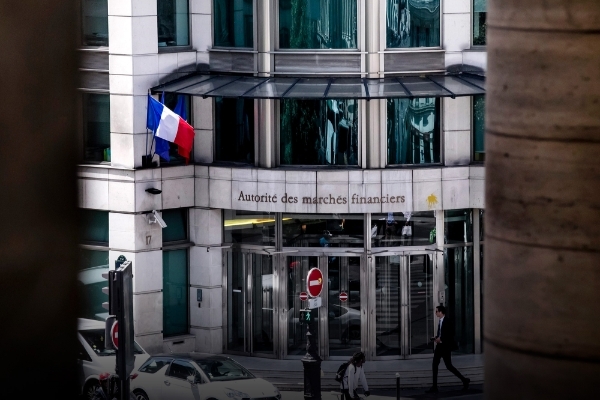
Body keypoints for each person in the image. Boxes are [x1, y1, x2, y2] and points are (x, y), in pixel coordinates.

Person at [426, 305, 471, 393]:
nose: (435, 313)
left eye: (436, 311)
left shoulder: (448, 321)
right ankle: (434, 387)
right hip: (439, 347)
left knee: (449, 366)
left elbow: (451, 334)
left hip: (446, 347)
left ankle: (464, 380)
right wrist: (436, 338)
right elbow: (442, 333)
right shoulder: (440, 321)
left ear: (440, 312)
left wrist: (441, 339)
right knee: (434, 365)